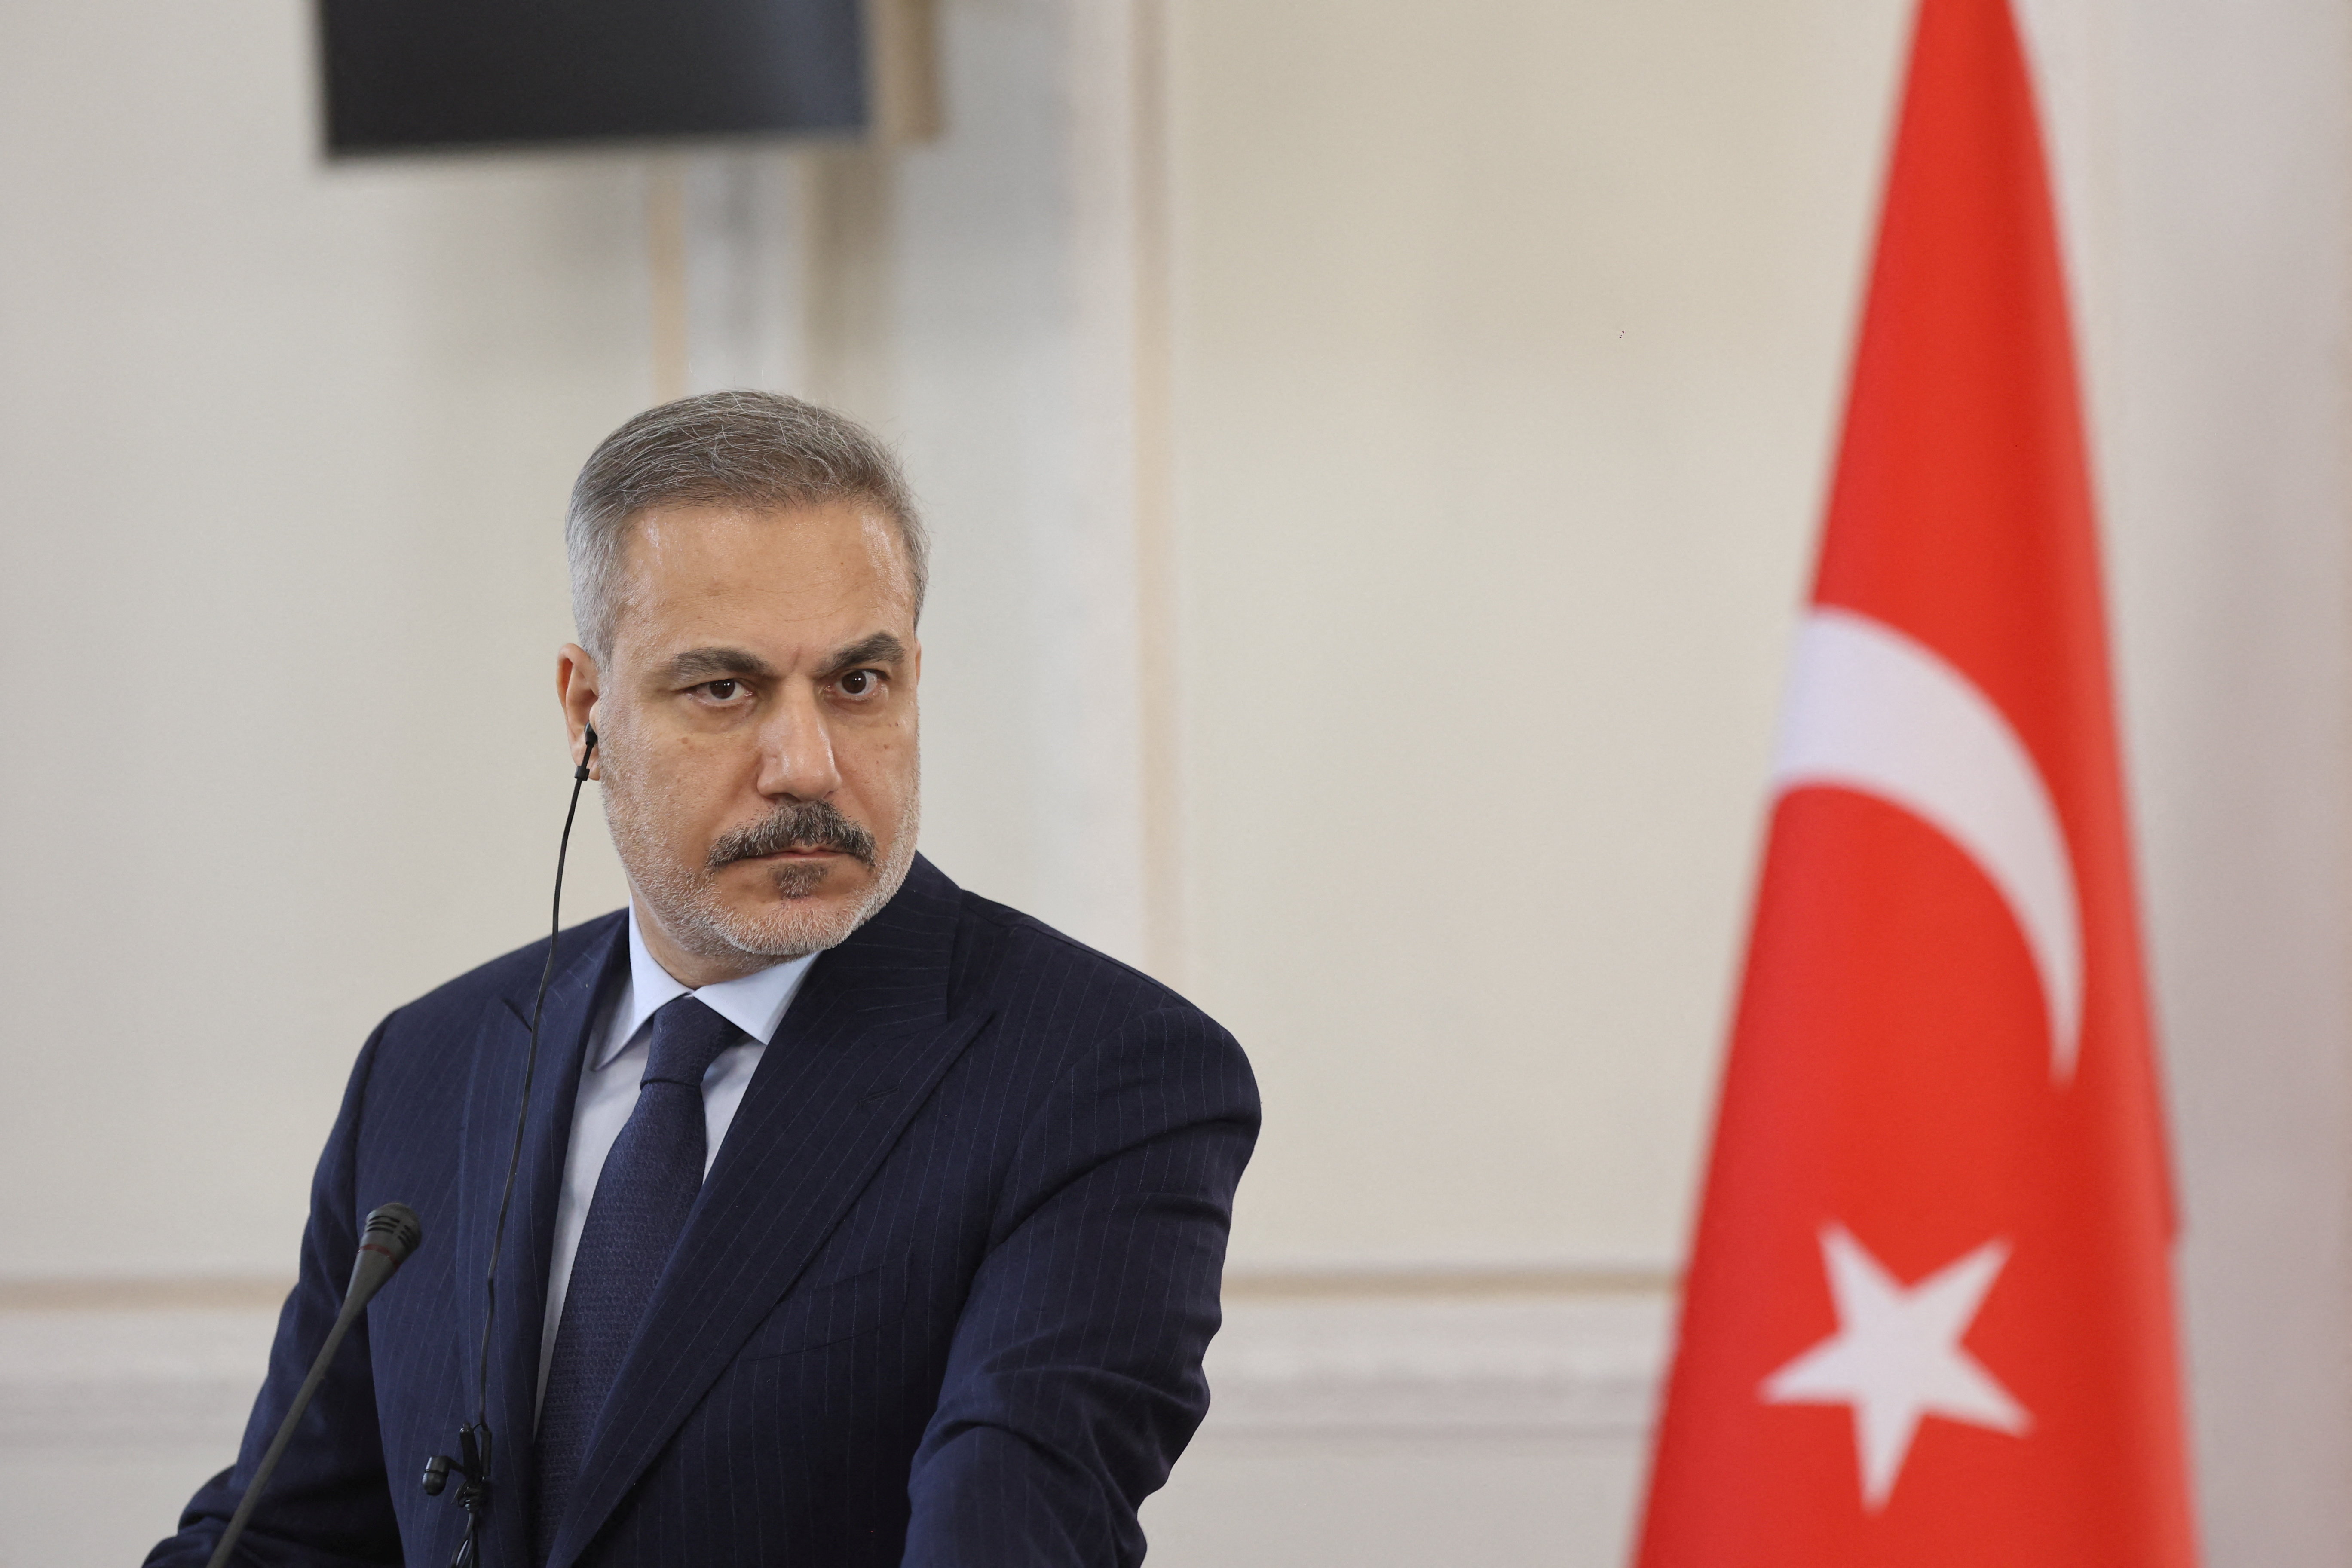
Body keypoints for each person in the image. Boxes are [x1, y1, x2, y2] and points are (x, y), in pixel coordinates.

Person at [146, 391, 1260, 1568]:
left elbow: (1006, 1527)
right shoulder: (430, 1063)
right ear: (587, 711)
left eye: (858, 683)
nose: (807, 766)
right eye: (724, 690)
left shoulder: (1105, 1075)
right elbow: (288, 1534)